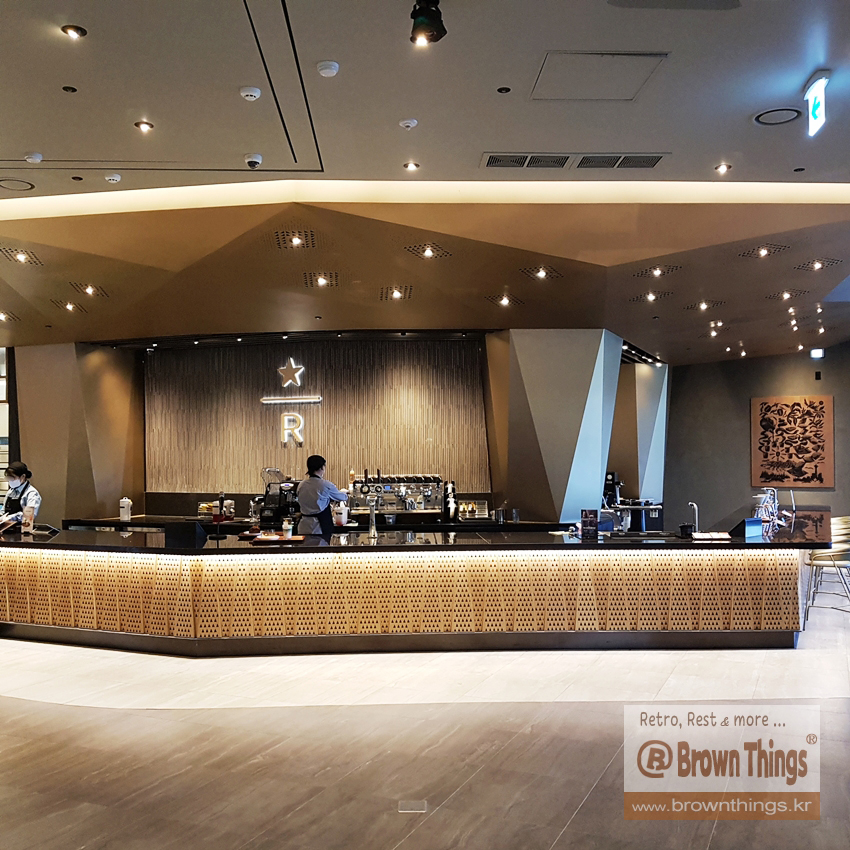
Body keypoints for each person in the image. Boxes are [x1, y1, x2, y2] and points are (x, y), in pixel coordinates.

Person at [296, 455, 348, 539]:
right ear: (322, 467)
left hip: (303, 525)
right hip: (319, 527)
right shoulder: (325, 485)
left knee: (305, 546)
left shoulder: (301, 485)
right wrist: (345, 492)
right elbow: (343, 497)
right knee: (321, 546)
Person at [1, 462, 42, 526]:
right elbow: (3, 510)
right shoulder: (10, 491)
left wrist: (9, 518)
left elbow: (29, 515)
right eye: (8, 478)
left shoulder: (31, 493)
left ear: (23, 477)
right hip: (6, 527)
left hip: (22, 528)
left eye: (12, 478)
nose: (10, 481)